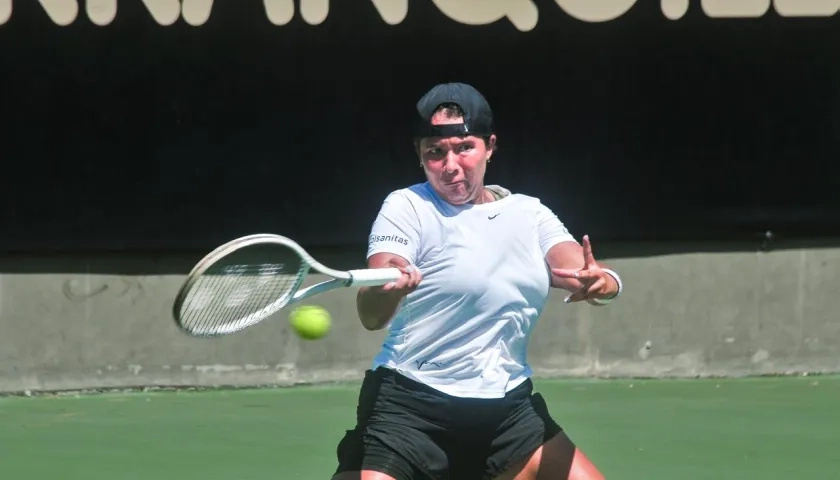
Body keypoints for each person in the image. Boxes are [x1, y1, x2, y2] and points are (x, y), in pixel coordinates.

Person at [332, 83, 623, 480]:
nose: (451, 164)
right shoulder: (407, 207)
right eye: (435, 152)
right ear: (420, 156)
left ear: (489, 146)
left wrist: (601, 282)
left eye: (464, 147)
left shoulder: (529, 214)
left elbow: (584, 269)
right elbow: (371, 313)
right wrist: (389, 290)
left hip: (506, 412)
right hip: (411, 407)